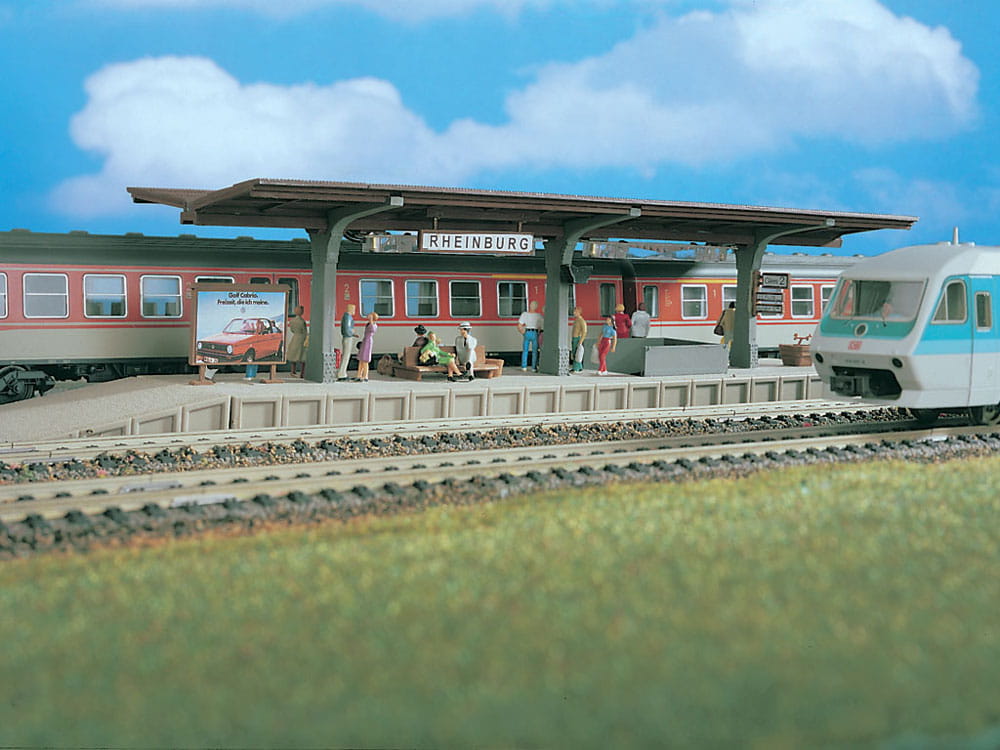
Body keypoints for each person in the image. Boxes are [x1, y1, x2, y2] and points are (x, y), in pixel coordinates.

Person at [517, 300, 544, 371]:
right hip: (535, 333)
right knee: (535, 351)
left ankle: (524, 366)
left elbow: (519, 325)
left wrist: (523, 332)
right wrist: (538, 332)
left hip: (527, 332)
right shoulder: (539, 315)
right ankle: (533, 367)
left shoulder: (524, 314)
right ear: (536, 307)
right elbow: (540, 326)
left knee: (525, 350)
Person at [354, 311, 378, 382]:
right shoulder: (368, 324)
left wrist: (371, 321)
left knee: (365, 360)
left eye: (370, 316)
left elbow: (373, 329)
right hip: (365, 341)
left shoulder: (374, 325)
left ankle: (365, 376)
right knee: (361, 359)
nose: (368, 317)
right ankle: (359, 375)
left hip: (368, 342)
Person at [286, 305, 308, 377]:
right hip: (301, 338)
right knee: (303, 356)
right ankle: (302, 373)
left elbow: (292, 330)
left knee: (293, 355)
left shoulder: (292, 321)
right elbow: (304, 331)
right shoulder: (302, 321)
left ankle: (293, 371)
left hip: (295, 338)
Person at [337, 303, 356, 381]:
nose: (354, 311)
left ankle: (342, 373)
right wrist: (352, 332)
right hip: (348, 338)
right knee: (346, 356)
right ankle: (341, 374)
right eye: (353, 309)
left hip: (347, 338)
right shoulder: (348, 317)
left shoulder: (346, 316)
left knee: (346, 356)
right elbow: (347, 329)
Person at [570, 306, 587, 373]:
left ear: (579, 312)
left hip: (577, 338)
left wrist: (580, 341)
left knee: (577, 353)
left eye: (576, 311)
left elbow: (584, 332)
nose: (574, 313)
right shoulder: (576, 320)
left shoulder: (581, 321)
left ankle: (576, 368)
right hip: (574, 338)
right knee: (575, 352)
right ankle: (579, 367)